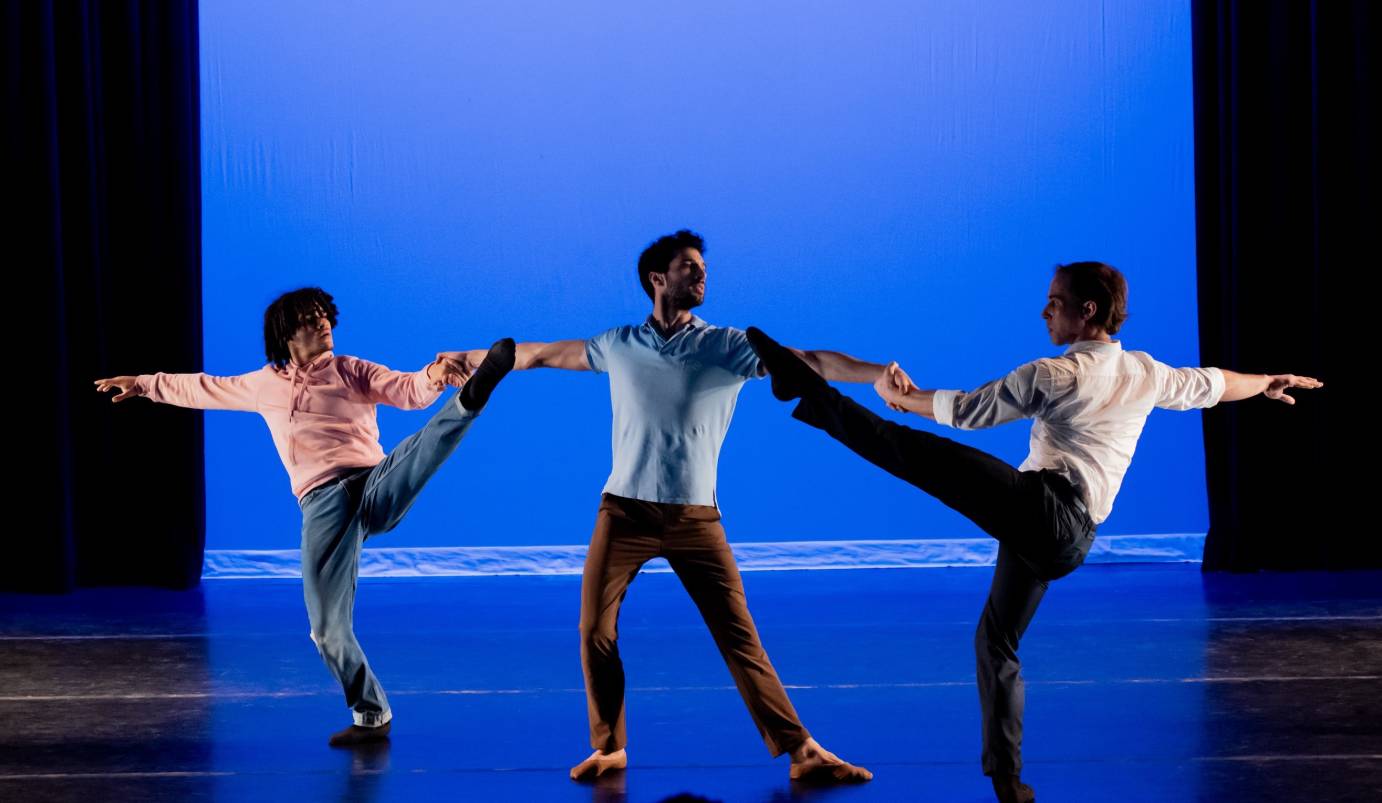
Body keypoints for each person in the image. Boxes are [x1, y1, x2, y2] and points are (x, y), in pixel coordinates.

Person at [744, 261, 1322, 802]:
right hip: (1070, 538)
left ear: (1088, 311)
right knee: (995, 642)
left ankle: (801, 386)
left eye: (1055, 304)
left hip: (1045, 511)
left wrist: (903, 398)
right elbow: (1214, 384)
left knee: (905, 451)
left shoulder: (1057, 372)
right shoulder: (1146, 372)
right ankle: (1009, 784)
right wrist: (1267, 381)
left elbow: (972, 410)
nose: (1045, 313)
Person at [95, 287, 515, 747]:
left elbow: (408, 389)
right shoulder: (264, 384)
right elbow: (202, 387)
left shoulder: (351, 370)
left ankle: (471, 399)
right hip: (322, 504)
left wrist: (435, 374)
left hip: (372, 483)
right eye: (312, 320)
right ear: (287, 332)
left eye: (325, 317)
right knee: (325, 629)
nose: (324, 325)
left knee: (419, 448)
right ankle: (371, 715)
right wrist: (143, 383)